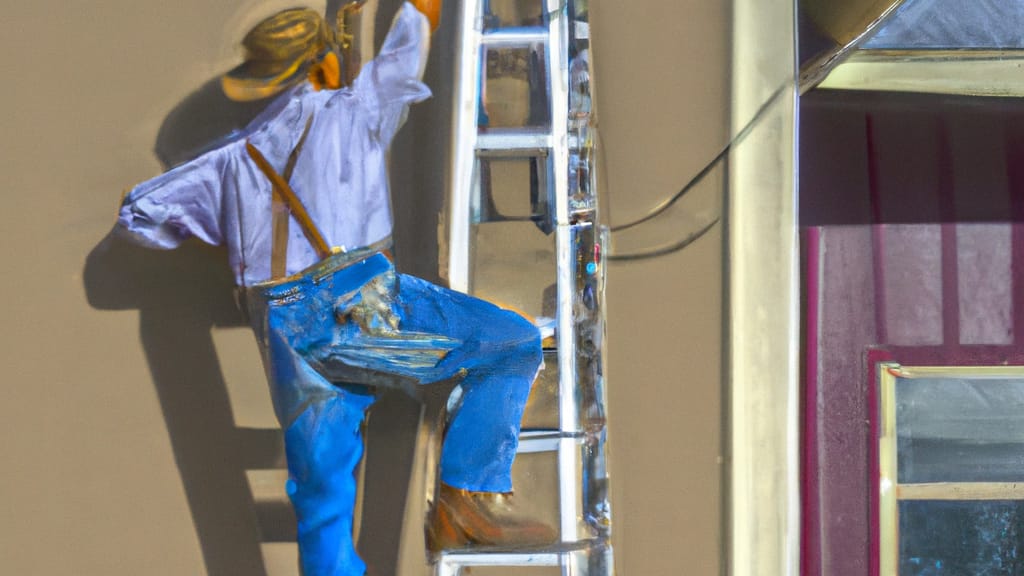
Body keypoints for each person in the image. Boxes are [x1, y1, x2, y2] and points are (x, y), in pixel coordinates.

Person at [116, 3, 554, 575]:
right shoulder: (352, 110)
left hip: (281, 326)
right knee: (511, 344)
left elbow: (140, 214)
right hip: (355, 302)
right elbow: (401, 62)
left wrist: (215, 232)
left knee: (321, 499)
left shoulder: (230, 160)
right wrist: (419, 11)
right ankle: (465, 503)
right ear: (323, 64)